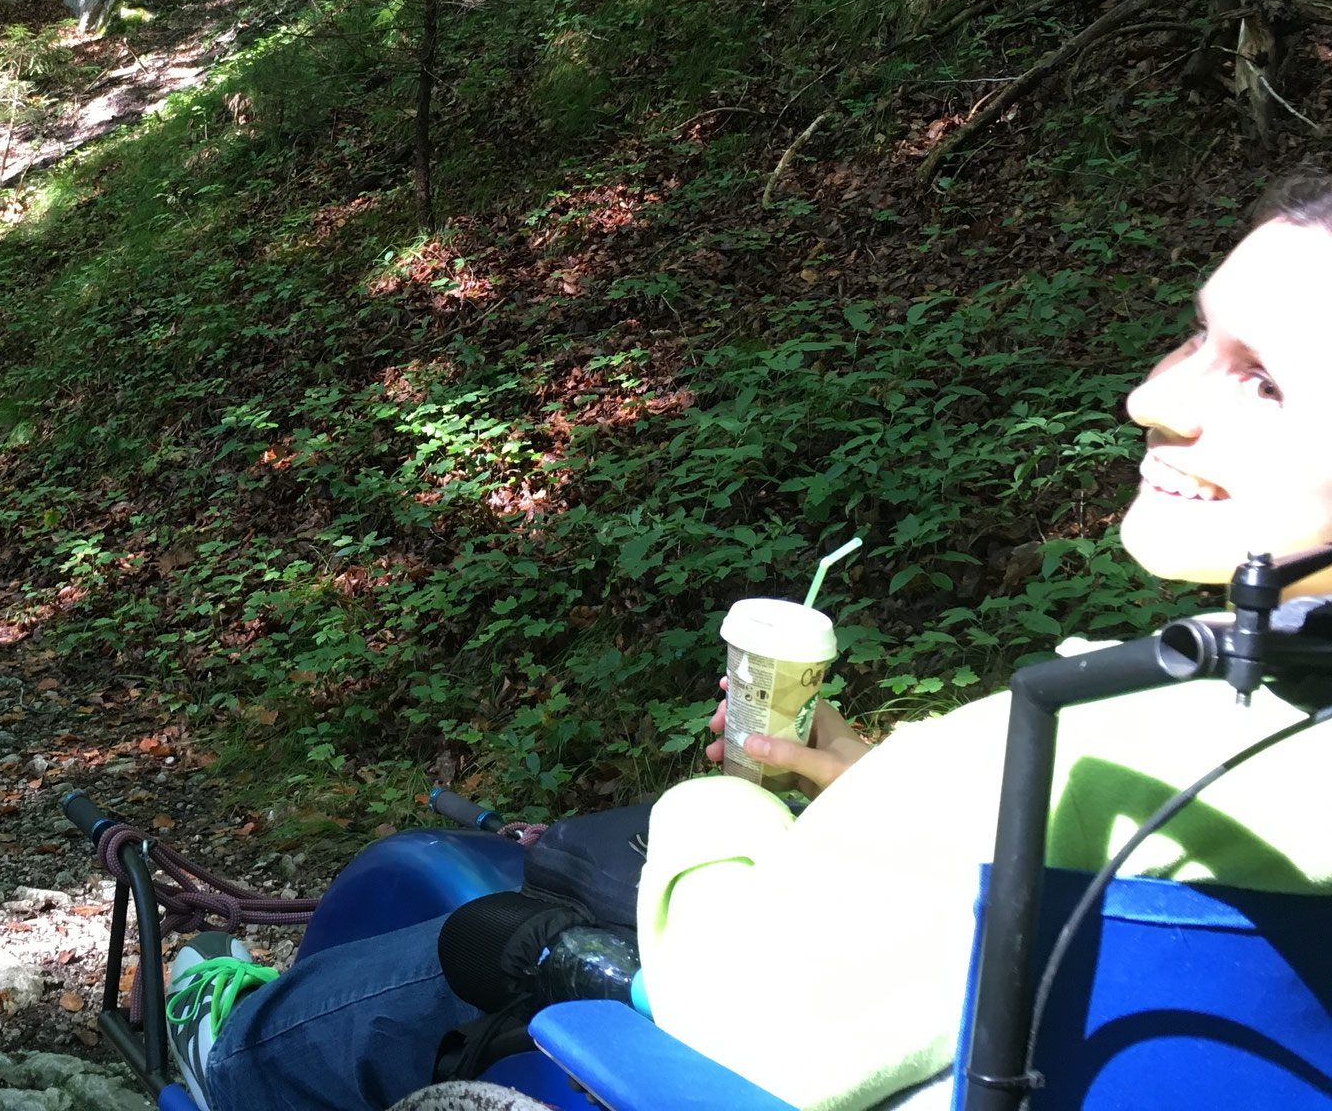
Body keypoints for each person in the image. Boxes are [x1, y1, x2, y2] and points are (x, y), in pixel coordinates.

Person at [162, 174, 1332, 1111]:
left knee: (486, 926)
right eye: (1194, 336)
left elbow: (744, 1021)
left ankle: (234, 1048)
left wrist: (717, 808)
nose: (1154, 399)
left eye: (1267, 384)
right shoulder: (1252, 744)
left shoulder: (1109, 735)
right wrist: (882, 783)